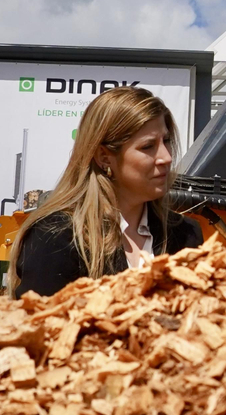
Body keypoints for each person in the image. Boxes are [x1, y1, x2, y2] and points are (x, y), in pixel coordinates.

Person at [13, 87, 205, 298]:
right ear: (104, 157)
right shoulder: (56, 237)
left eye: (166, 141)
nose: (166, 157)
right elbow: (39, 325)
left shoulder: (186, 235)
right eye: (148, 146)